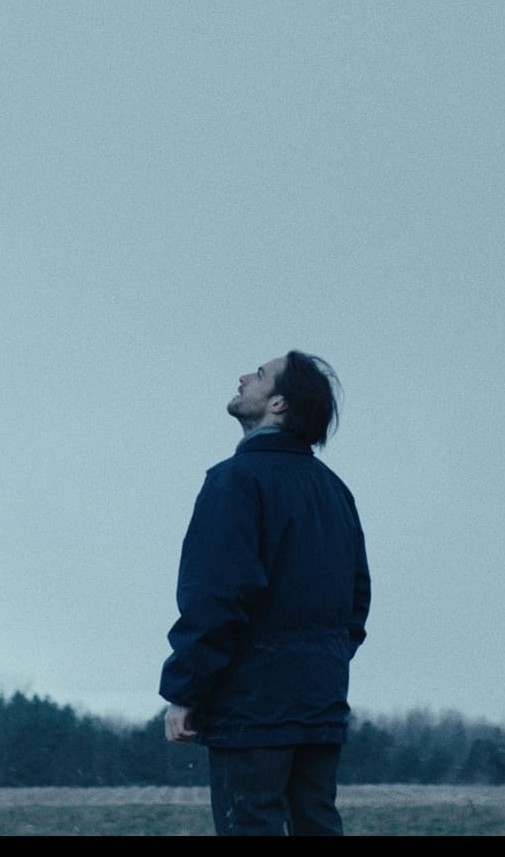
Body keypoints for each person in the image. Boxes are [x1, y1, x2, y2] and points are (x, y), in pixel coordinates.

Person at [160, 351, 370, 836]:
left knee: (249, 827)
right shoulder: (335, 491)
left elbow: (216, 598)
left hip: (251, 710)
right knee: (317, 826)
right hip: (319, 708)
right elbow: (356, 603)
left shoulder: (234, 481)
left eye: (258, 375)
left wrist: (185, 690)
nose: (242, 378)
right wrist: (316, 667)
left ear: (278, 403)